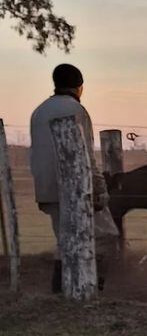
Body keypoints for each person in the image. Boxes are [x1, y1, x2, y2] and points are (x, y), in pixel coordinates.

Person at [30, 63, 112, 293]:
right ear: (80, 87)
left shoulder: (39, 111)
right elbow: (86, 153)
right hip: (75, 186)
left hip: (46, 187)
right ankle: (91, 285)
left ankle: (62, 288)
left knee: (64, 238)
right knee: (106, 236)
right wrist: (99, 187)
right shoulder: (77, 110)